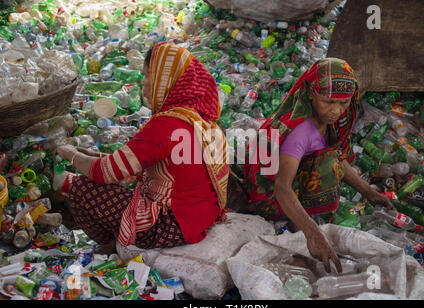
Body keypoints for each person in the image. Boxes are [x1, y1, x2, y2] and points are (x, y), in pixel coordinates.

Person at [55, 42, 229, 254]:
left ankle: (115, 243)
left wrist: (69, 153)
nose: (143, 82)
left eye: (148, 75)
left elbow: (104, 173)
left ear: (166, 81)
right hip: (200, 215)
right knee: (127, 181)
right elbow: (144, 161)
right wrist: (95, 156)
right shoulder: (201, 120)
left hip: (172, 224)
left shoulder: (167, 124)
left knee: (82, 189)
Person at [230, 58, 393, 273]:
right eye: (329, 102)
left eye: (343, 103)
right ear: (311, 94)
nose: (336, 111)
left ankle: (304, 217)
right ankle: (297, 219)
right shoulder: (300, 132)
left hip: (291, 176)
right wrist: (312, 233)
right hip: (269, 195)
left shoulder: (328, 122)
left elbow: (338, 158)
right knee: (328, 162)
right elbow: (282, 187)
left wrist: (370, 193)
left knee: (331, 159)